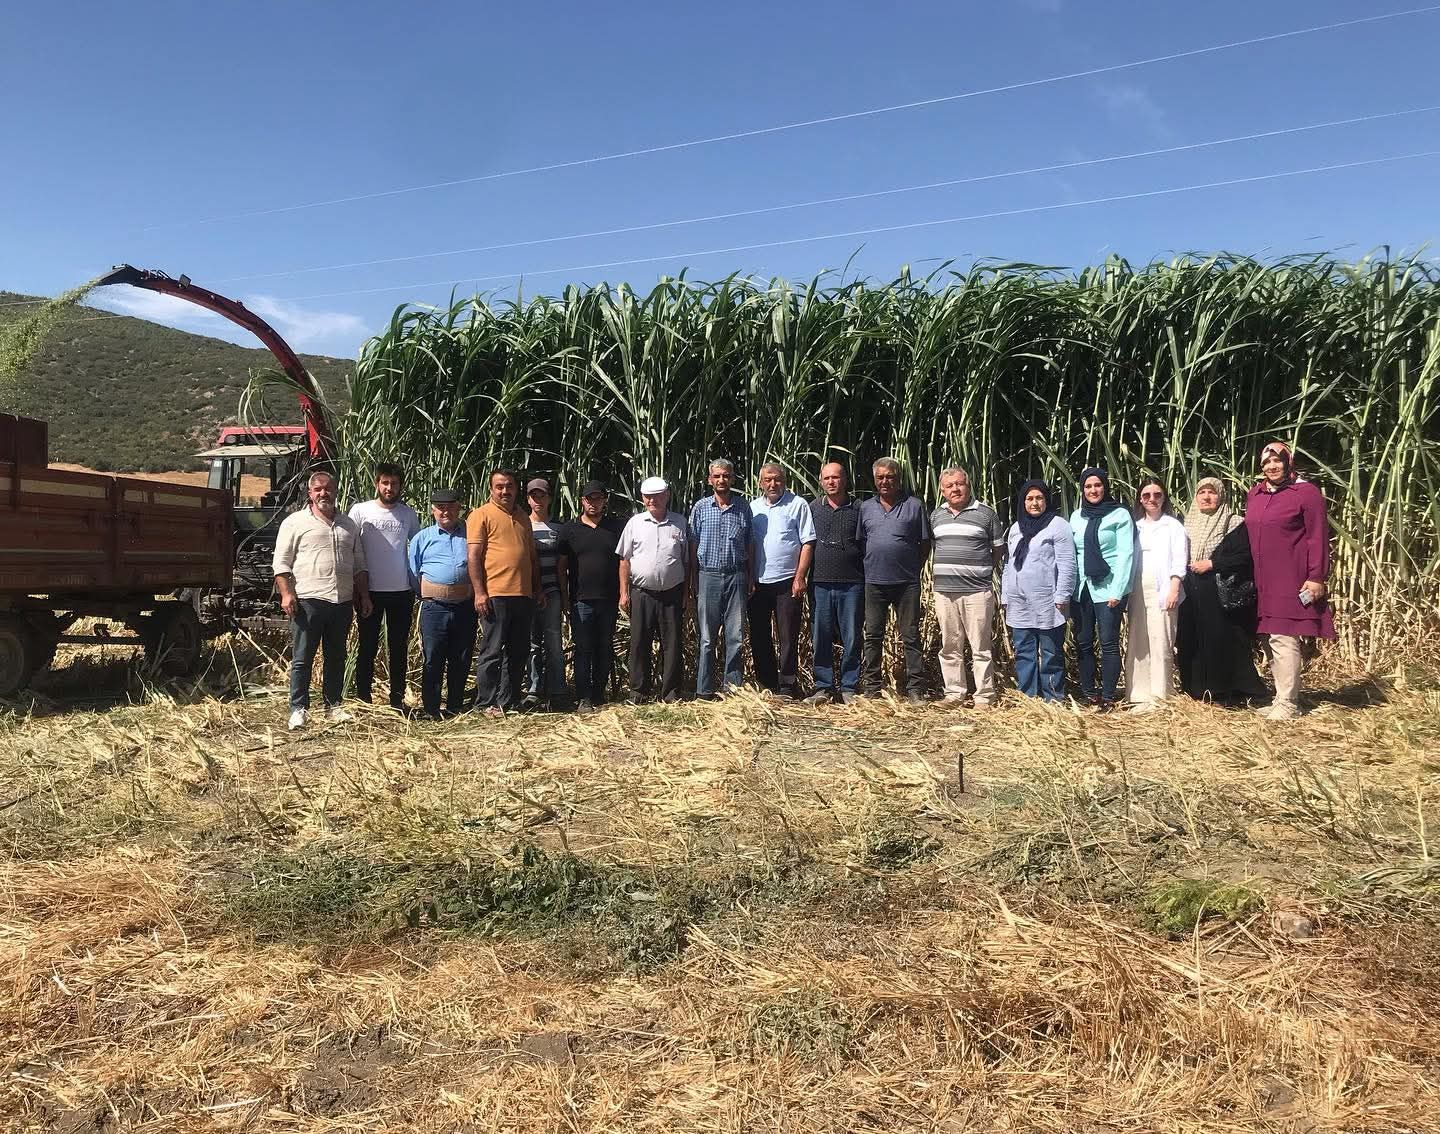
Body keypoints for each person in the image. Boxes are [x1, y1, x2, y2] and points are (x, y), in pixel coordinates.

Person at [272, 470, 371, 730]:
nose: (323, 493)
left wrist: (363, 595)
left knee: (336, 656)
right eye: (318, 489)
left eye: (328, 488)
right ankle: (298, 709)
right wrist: (286, 593)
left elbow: (359, 565)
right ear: (310, 493)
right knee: (303, 658)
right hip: (309, 601)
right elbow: (281, 563)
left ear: (336, 491)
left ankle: (333, 705)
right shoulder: (295, 522)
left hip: (342, 601)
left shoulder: (348, 525)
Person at [1245, 441, 1335, 720]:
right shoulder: (1255, 494)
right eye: (1266, 462)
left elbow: (1317, 536)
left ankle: (1289, 703)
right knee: (1268, 636)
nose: (1272, 466)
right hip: (1262, 579)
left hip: (1290, 577)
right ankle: (1280, 697)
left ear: (1288, 462)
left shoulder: (1306, 493)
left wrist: (1316, 576)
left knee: (1283, 635)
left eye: (1277, 461)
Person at [1177, 477, 1264, 704]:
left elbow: (1244, 556)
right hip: (1190, 591)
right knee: (1192, 638)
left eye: (1212, 492)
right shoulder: (1186, 525)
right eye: (1202, 492)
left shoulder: (1234, 523)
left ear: (1221, 496)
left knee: (1221, 639)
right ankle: (1196, 689)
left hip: (1218, 590)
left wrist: (1212, 563)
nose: (1206, 497)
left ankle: (1227, 690)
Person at [856, 457, 932, 703]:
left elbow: (925, 544)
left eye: (890, 477)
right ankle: (872, 688)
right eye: (880, 477)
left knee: (910, 636)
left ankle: (915, 689)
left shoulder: (914, 506)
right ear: (874, 480)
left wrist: (912, 567)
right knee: (873, 635)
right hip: (874, 582)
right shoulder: (866, 508)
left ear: (899, 479)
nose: (885, 481)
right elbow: (861, 542)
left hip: (906, 583)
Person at [467, 469, 540, 716]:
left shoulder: (523, 517)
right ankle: (485, 703)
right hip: (495, 594)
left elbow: (531, 557)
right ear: (491, 489)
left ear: (516, 489)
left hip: (523, 594)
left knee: (518, 651)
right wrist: (480, 593)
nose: (505, 491)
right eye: (499, 486)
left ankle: (508, 701)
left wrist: (537, 589)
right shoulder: (481, 515)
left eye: (509, 486)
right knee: (492, 650)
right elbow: (473, 557)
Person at [930, 466, 1005, 707]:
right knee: (950, 645)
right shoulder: (936, 516)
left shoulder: (986, 514)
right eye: (949, 486)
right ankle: (954, 694)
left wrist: (981, 572)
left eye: (959, 484)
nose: (955, 489)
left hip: (977, 592)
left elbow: (998, 549)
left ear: (968, 486)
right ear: (942, 491)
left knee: (980, 647)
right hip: (944, 593)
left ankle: (984, 696)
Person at [348, 462, 420, 712]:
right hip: (369, 591)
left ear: (401, 486)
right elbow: (351, 547)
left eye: (394, 484)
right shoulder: (360, 511)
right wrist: (357, 589)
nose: (389, 488)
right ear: (376, 483)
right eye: (385, 483)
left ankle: (397, 700)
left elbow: (417, 547)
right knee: (367, 646)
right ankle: (363, 699)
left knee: (398, 647)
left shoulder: (408, 514)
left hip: (401, 591)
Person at [1001, 479, 1075, 703]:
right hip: (1018, 601)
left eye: (1039, 498)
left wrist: (1063, 594)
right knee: (1024, 651)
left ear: (1047, 500)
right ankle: (1029, 697)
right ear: (1023, 502)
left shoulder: (1057, 525)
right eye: (1029, 499)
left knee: (1050, 652)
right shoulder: (1016, 528)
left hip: (1047, 600)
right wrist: (1005, 594)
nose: (1034, 503)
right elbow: (1009, 564)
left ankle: (1053, 698)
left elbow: (1067, 563)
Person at [618, 477, 690, 703]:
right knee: (639, 643)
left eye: (657, 496)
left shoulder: (680, 522)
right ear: (642, 498)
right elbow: (624, 560)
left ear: (667, 495)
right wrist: (624, 592)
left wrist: (686, 593)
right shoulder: (635, 523)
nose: (652, 500)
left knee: (672, 644)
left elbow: (687, 561)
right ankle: (638, 692)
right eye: (648, 497)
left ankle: (671, 693)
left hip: (672, 593)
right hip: (642, 593)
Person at [1068, 467, 1135, 710]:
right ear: (1082, 489)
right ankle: (1089, 692)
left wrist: (1118, 590)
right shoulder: (1077, 516)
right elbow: (1072, 553)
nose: (1093, 490)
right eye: (1088, 486)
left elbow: (1126, 554)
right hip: (1082, 588)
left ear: (1105, 487)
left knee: (1108, 642)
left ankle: (1107, 696)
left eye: (1097, 485)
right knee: (1083, 641)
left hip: (1109, 588)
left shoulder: (1119, 514)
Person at [748, 463, 816, 699]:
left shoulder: (798, 504)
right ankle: (767, 684)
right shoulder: (753, 508)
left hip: (787, 581)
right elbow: (749, 545)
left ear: (784, 481)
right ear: (760, 483)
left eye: (777, 479)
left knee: (788, 635)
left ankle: (787, 685)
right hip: (758, 582)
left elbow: (808, 542)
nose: (772, 484)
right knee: (759, 635)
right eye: (767, 480)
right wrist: (749, 577)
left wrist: (800, 577)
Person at [407, 488, 475, 719]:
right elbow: (413, 571)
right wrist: (426, 595)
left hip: (465, 606)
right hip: (434, 608)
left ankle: (455, 705)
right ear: (433, 510)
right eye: (440, 508)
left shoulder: (471, 535)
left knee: (461, 657)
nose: (446, 512)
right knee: (433, 656)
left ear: (459, 508)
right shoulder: (422, 538)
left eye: (451, 507)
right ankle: (431, 708)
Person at [689, 458, 753, 698]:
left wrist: (750, 576)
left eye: (726, 475)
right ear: (710, 480)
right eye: (717, 476)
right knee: (707, 638)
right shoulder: (700, 508)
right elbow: (692, 545)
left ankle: (732, 690)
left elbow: (750, 542)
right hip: (709, 576)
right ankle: (704, 690)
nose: (722, 480)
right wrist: (694, 578)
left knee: (735, 636)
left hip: (736, 575)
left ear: (732, 479)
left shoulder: (743, 507)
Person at [1125, 476, 1188, 712]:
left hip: (1164, 590)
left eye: (1157, 494)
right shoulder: (1135, 527)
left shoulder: (1173, 526)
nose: (1152, 499)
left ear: (1164, 498)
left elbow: (1180, 560)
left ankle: (1160, 695)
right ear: (1140, 499)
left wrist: (1174, 588)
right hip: (1137, 590)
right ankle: (1139, 694)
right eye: (1146, 495)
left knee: (1161, 641)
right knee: (1139, 641)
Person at [563, 480, 625, 712]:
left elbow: (624, 561)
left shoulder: (616, 528)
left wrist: (623, 592)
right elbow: (561, 565)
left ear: (604, 501)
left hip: (608, 599)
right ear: (582, 501)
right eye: (589, 499)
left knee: (604, 647)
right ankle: (583, 697)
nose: (593, 503)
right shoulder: (570, 530)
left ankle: (599, 694)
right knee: (583, 648)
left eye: (598, 498)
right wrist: (565, 596)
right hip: (581, 600)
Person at [807, 461, 865, 705]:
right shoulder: (813, 508)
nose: (831, 482)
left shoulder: (859, 508)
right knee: (820, 636)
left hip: (852, 583)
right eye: (827, 478)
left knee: (852, 636)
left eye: (836, 477)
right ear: (821, 481)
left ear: (845, 480)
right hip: (820, 583)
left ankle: (849, 687)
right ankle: (823, 687)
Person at [523, 477, 571, 711]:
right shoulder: (521, 526)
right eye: (534, 496)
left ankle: (558, 689)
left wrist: (565, 596)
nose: (538, 500)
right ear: (528, 499)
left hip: (552, 592)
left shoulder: (559, 529)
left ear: (550, 498)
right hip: (527, 594)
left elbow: (564, 566)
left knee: (553, 642)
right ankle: (533, 689)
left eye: (542, 495)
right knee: (532, 643)